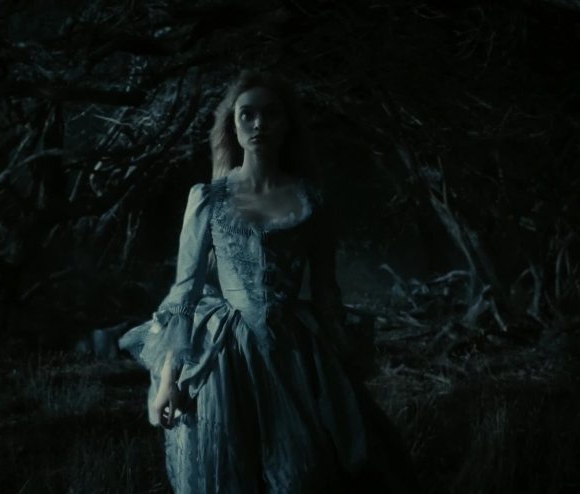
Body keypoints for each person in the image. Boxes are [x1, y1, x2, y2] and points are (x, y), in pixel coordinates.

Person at [119, 69, 421, 493]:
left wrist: (342, 364)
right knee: (230, 472)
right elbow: (185, 293)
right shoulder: (209, 198)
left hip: (294, 348)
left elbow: (326, 290)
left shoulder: (311, 200)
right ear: (232, 124)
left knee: (303, 475)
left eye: (270, 114)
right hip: (226, 355)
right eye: (247, 114)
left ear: (287, 124)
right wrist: (169, 380)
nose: (258, 124)